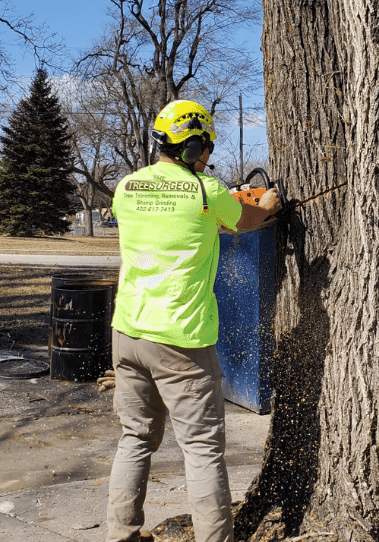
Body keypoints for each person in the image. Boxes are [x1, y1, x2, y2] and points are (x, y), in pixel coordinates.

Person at [106, 99, 281, 542]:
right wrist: (268, 203)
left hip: (128, 332)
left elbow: (171, 219)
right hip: (181, 339)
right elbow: (250, 219)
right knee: (202, 450)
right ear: (193, 145)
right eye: (205, 147)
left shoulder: (127, 187)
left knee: (135, 439)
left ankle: (120, 535)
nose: (208, 156)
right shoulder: (207, 191)